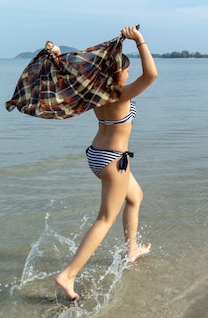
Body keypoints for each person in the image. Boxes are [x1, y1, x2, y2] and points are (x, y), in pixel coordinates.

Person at [54, 25, 158, 300]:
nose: (128, 73)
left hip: (98, 155)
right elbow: (152, 75)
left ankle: (132, 249)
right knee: (104, 218)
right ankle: (68, 275)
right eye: (126, 70)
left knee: (135, 197)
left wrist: (57, 56)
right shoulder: (120, 94)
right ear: (117, 72)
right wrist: (140, 41)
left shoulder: (94, 93)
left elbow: (69, 77)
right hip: (112, 160)